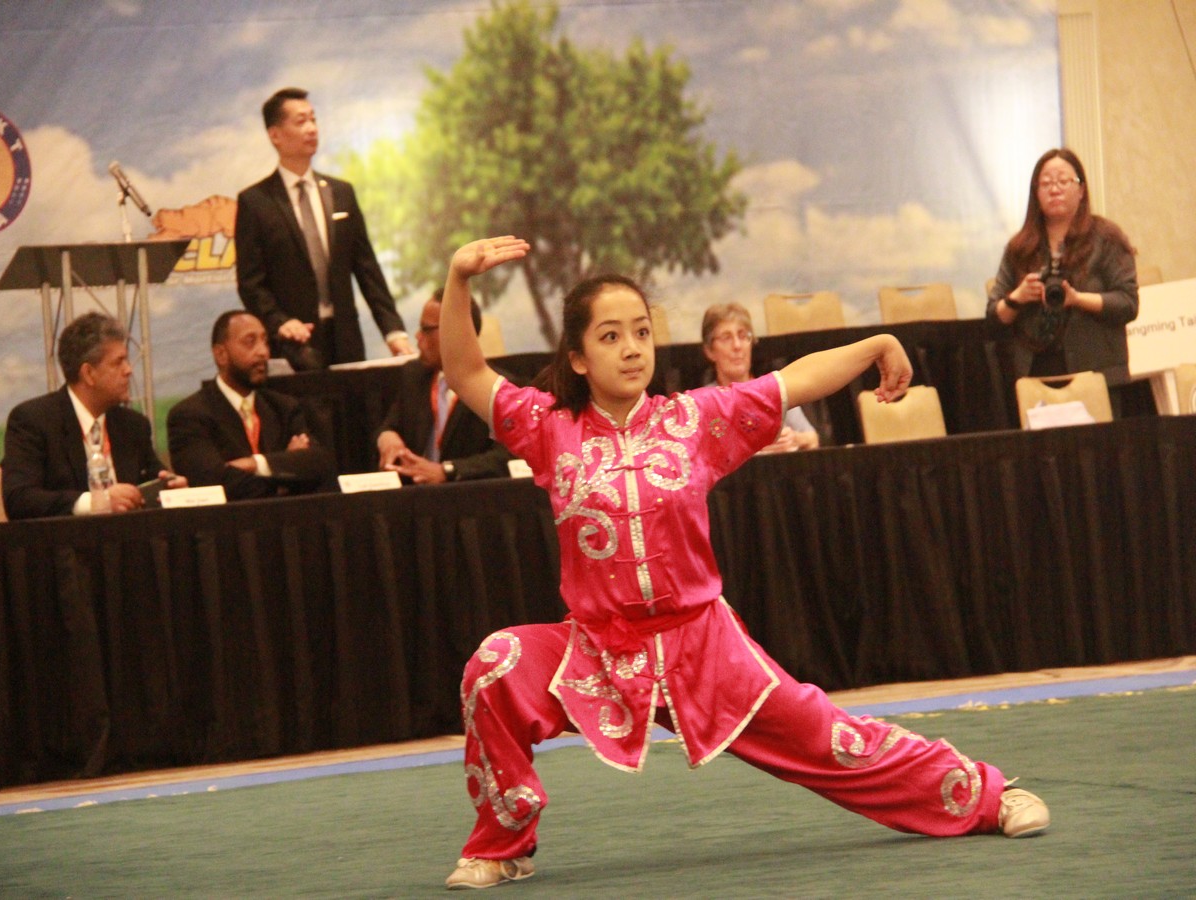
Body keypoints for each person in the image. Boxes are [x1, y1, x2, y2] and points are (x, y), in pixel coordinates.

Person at [437, 237, 1050, 890]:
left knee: (831, 741)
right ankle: (502, 846)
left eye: (641, 332)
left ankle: (982, 795)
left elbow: (795, 381)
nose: (632, 348)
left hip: (704, 650)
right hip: (599, 652)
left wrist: (876, 344)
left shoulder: (693, 419)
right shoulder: (546, 427)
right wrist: (458, 280)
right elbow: (467, 373)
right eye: (610, 336)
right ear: (578, 358)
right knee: (495, 666)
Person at [235, 87, 412, 370]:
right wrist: (280, 323)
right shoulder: (255, 202)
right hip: (293, 345)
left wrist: (393, 332)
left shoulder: (341, 193)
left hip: (346, 339)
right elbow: (251, 283)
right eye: (300, 121)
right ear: (275, 135)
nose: (311, 129)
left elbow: (367, 270)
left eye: (313, 119)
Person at [987, 147, 1139, 417]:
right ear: (1036, 193)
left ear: (1081, 190)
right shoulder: (1020, 248)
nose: (1054, 189)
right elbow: (993, 319)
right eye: (1046, 183)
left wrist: (1077, 299)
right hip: (1035, 377)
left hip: (1096, 374)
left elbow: (1128, 304)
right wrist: (1018, 297)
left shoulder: (1106, 238)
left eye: (1063, 181)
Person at [1, 312, 185, 520]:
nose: (129, 370)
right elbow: (20, 499)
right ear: (89, 373)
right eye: (118, 362)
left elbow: (154, 482)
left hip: (130, 537)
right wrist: (96, 502)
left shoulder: (133, 425)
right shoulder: (34, 420)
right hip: (68, 538)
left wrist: (170, 489)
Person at [166, 310, 337, 500]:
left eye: (265, 341)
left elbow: (319, 464)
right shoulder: (190, 415)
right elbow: (211, 482)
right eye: (250, 342)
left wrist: (255, 463)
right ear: (221, 354)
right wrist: (284, 473)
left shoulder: (284, 407)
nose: (263, 352)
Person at [375, 289, 511, 484]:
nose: (417, 336)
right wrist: (388, 438)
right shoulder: (414, 376)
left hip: (467, 495)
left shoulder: (500, 389)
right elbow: (390, 425)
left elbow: (507, 457)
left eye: (426, 329)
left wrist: (447, 471)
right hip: (414, 495)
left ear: (458, 332)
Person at [702, 302, 819, 451]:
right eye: (726, 338)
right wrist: (758, 449)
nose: (737, 346)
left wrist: (794, 438)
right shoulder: (704, 401)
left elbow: (813, 439)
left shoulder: (773, 389)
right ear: (709, 351)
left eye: (743, 336)